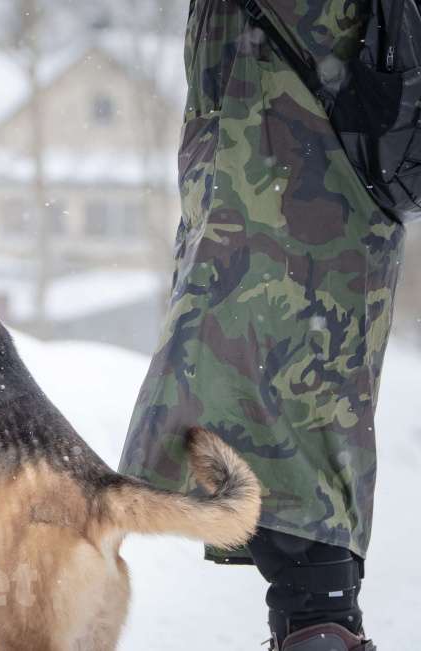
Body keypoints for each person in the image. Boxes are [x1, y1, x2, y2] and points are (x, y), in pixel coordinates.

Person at [118, 1, 405, 649]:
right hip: (302, 124)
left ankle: (318, 620)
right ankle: (318, 617)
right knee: (285, 392)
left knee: (265, 385)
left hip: (296, 127)